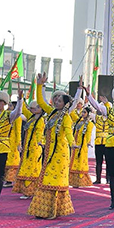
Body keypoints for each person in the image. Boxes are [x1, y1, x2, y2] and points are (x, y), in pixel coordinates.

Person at [27, 75, 76, 219]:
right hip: (49, 152)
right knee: (46, 179)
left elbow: (68, 132)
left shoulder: (66, 117)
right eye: (55, 99)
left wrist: (73, 143)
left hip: (60, 154)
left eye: (59, 100)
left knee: (54, 180)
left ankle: (53, 211)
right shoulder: (52, 113)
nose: (56, 101)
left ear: (65, 104)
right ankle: (43, 210)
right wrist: (39, 85)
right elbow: (41, 101)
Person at [14, 99, 46, 198]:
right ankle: (28, 191)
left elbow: (39, 133)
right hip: (28, 147)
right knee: (27, 168)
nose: (34, 109)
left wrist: (40, 142)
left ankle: (30, 191)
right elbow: (23, 108)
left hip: (35, 147)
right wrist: (20, 99)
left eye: (37, 107)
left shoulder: (41, 120)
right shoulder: (31, 117)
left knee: (33, 169)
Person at [68, 105, 94, 188]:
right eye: (82, 112)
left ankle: (80, 181)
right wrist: (71, 104)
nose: (82, 114)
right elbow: (71, 113)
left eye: (84, 112)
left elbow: (88, 134)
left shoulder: (89, 124)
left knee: (80, 161)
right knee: (73, 160)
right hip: (75, 143)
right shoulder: (78, 121)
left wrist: (87, 142)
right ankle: (73, 181)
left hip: (82, 145)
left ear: (88, 114)